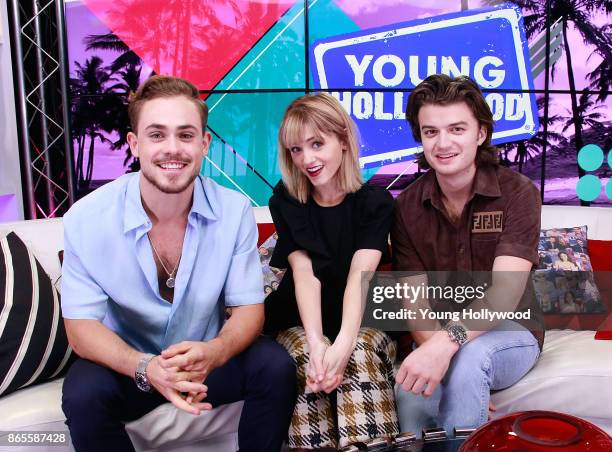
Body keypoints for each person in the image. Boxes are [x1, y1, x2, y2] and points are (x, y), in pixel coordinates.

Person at [60, 75, 296, 452]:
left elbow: (250, 310)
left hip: (206, 361)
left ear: (204, 144)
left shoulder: (233, 212)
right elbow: (80, 327)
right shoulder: (86, 219)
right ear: (134, 144)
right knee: (84, 393)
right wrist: (146, 367)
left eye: (186, 135)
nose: (173, 149)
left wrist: (215, 352)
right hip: (132, 369)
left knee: (274, 366)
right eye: (157, 135)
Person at [392, 74, 544, 436]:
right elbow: (416, 305)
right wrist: (439, 355)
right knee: (410, 391)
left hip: (512, 329)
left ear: (480, 134)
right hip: (436, 334)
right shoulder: (407, 206)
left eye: (457, 129)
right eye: (431, 132)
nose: (443, 143)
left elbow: (504, 294)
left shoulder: (518, 193)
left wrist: (450, 354)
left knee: (471, 361)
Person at [263, 93, 398, 449]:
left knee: (357, 354)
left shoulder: (376, 203)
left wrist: (343, 342)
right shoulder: (286, 199)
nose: (307, 159)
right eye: (296, 150)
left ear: (343, 139)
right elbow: (305, 276)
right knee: (312, 361)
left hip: (363, 319)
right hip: (298, 318)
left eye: (317, 144)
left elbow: (360, 277)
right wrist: (318, 342)